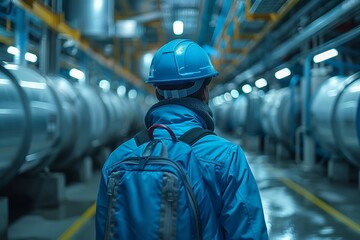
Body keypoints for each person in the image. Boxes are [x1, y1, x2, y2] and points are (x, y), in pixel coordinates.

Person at [96, 39, 268, 239]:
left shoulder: (117, 159)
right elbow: (249, 233)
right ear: (205, 91)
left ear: (157, 91)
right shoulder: (227, 158)